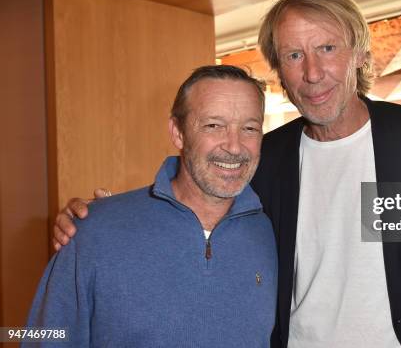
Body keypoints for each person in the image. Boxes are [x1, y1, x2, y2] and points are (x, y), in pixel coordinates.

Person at [54, 0, 401, 347]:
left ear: (357, 53)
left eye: (327, 49)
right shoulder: (266, 155)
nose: (312, 73)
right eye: (294, 56)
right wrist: (99, 223)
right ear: (280, 70)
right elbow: (198, 197)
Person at [28, 65, 277, 347]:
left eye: (249, 128)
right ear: (178, 132)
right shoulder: (93, 231)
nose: (234, 146)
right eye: (213, 125)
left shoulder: (269, 232)